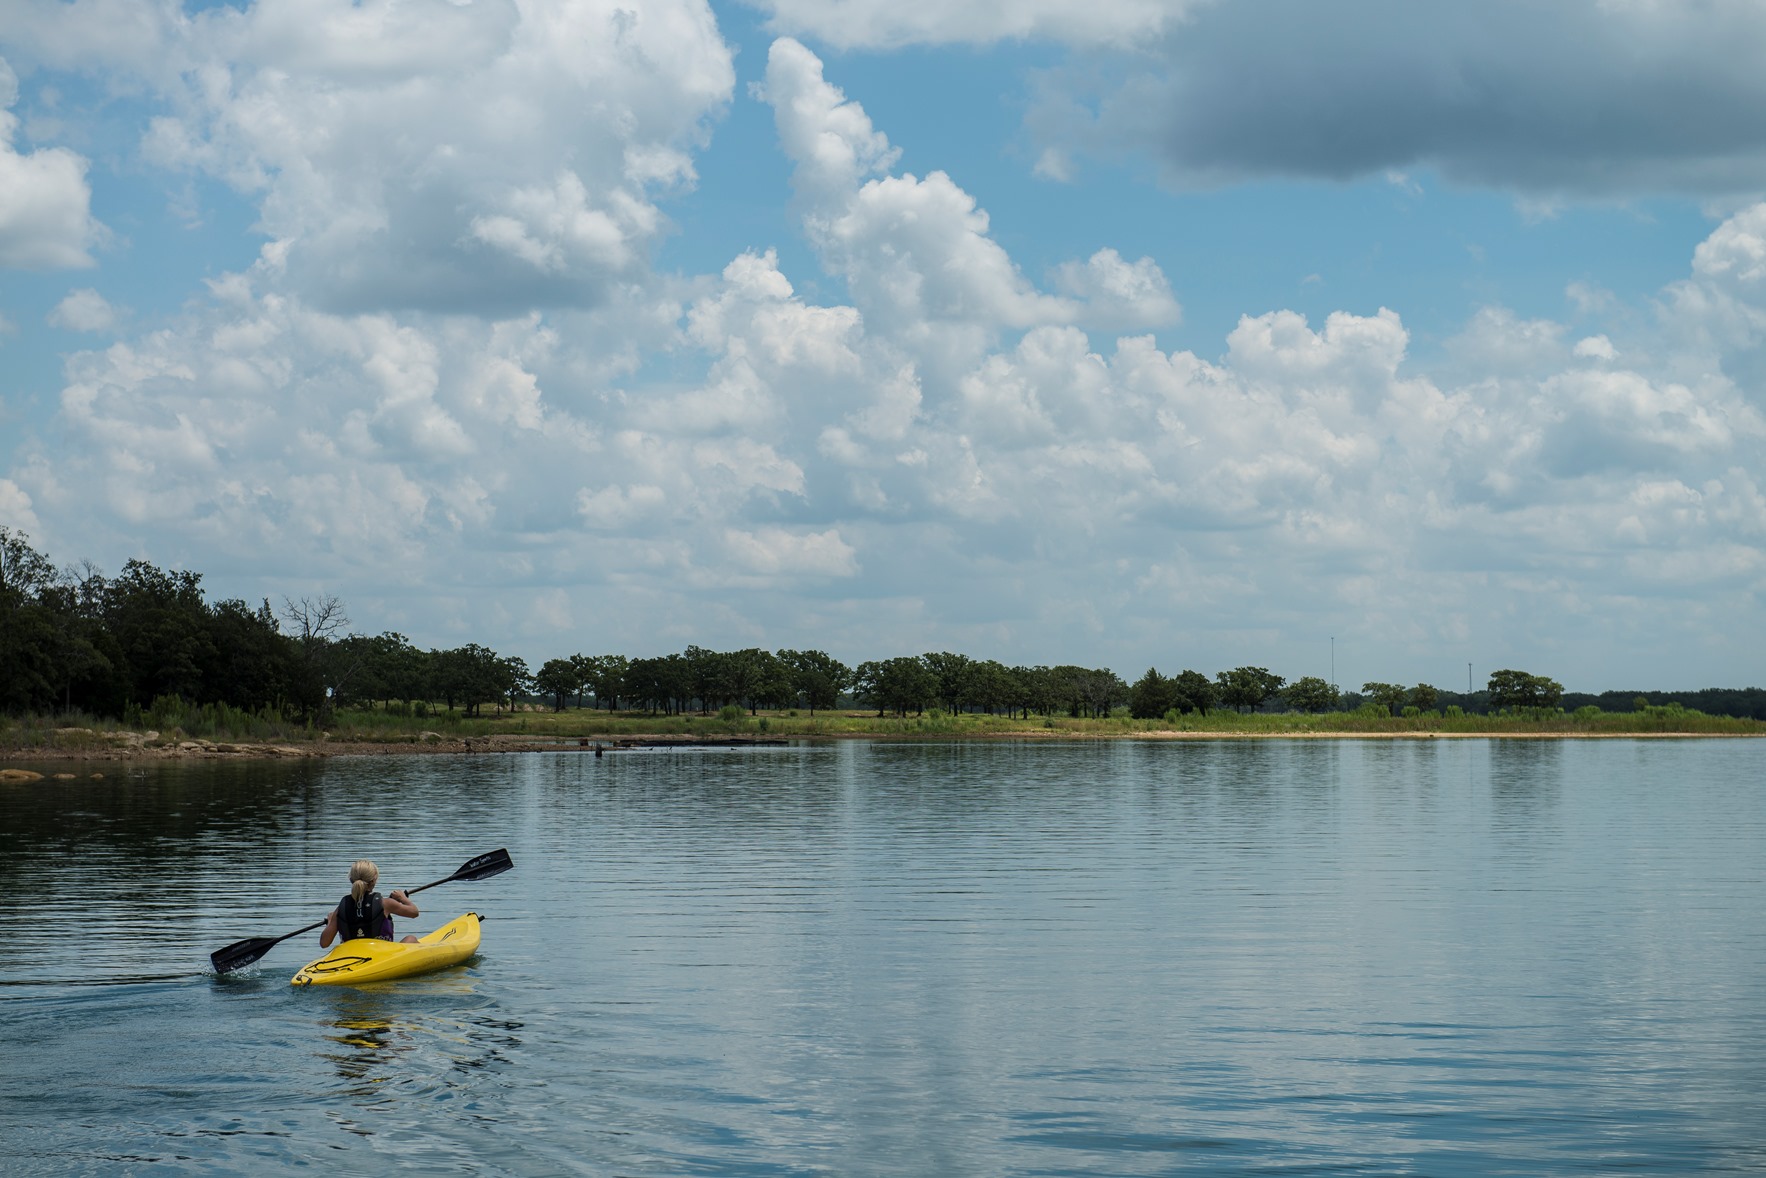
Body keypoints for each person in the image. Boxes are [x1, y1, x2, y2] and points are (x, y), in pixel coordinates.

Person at [320, 859, 421, 946]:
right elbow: (414, 913)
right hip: (381, 955)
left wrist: (331, 922)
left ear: (351, 879)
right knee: (411, 939)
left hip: (352, 956)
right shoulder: (386, 904)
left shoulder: (341, 909)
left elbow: (324, 943)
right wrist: (403, 898)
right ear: (374, 880)